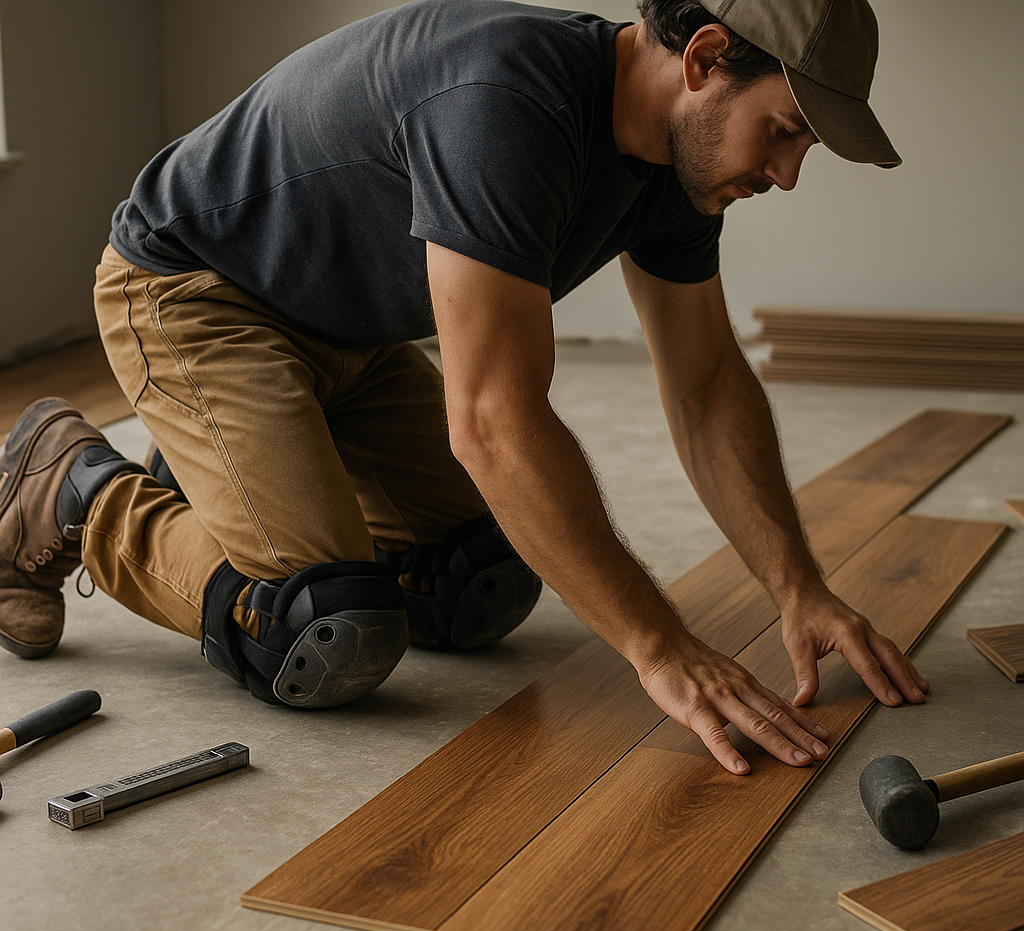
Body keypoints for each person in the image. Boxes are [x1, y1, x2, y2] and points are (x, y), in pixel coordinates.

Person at [0, 0, 927, 774]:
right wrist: (663, 649)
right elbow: (493, 423)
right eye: (786, 130)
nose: (788, 174)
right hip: (196, 296)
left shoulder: (674, 174)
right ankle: (70, 487)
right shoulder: (507, 105)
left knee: (475, 587)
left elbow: (708, 385)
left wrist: (796, 585)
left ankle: (220, 468)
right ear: (706, 58)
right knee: (322, 633)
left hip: (345, 333)